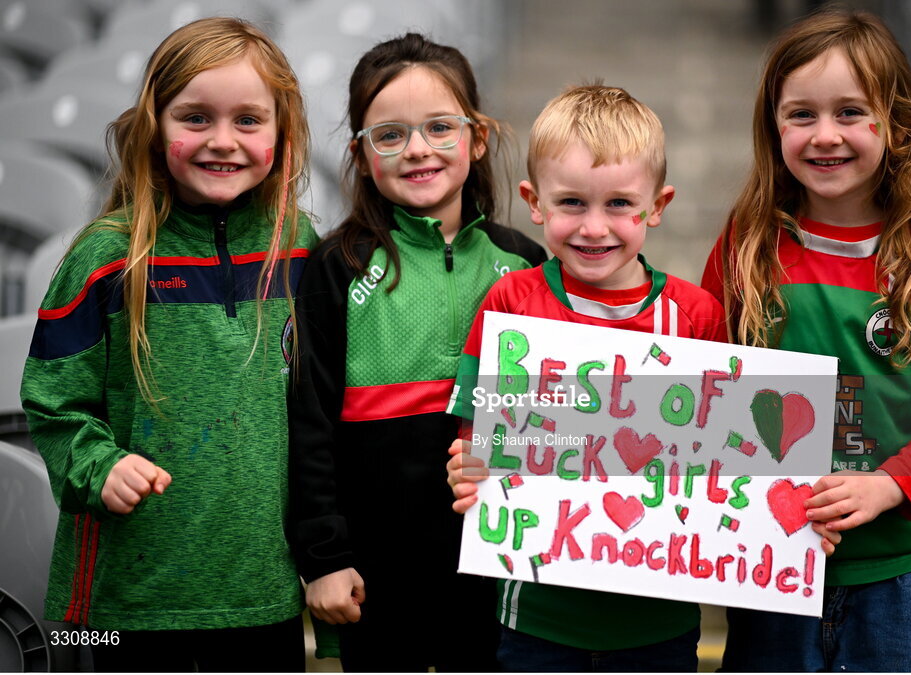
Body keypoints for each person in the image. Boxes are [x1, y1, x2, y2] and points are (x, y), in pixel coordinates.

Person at [700, 9, 911, 672]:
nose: (824, 134)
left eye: (850, 112)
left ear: (895, 125)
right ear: (772, 126)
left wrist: (888, 484)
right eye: (801, 114)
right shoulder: (746, 247)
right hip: (768, 561)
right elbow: (706, 386)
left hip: (898, 574)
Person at [19, 17, 316, 672]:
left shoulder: (301, 251)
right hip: (130, 600)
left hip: (262, 594)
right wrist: (101, 465)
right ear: (155, 125)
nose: (222, 140)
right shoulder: (104, 258)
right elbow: (53, 405)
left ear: (283, 131)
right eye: (195, 117)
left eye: (248, 120)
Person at [286, 33, 546, 672]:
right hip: (375, 575)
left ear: (476, 138)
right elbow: (309, 424)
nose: (418, 150)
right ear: (360, 152)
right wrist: (323, 557)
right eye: (390, 135)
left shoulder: (527, 264)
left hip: (497, 572)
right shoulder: (337, 267)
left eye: (439, 127)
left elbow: (556, 416)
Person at [444, 84, 725, 672]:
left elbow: (727, 468)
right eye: (572, 202)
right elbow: (477, 437)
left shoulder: (696, 317)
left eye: (620, 204)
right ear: (534, 202)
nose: (594, 227)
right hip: (535, 620)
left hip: (661, 622)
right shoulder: (512, 306)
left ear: (658, 205)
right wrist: (469, 467)